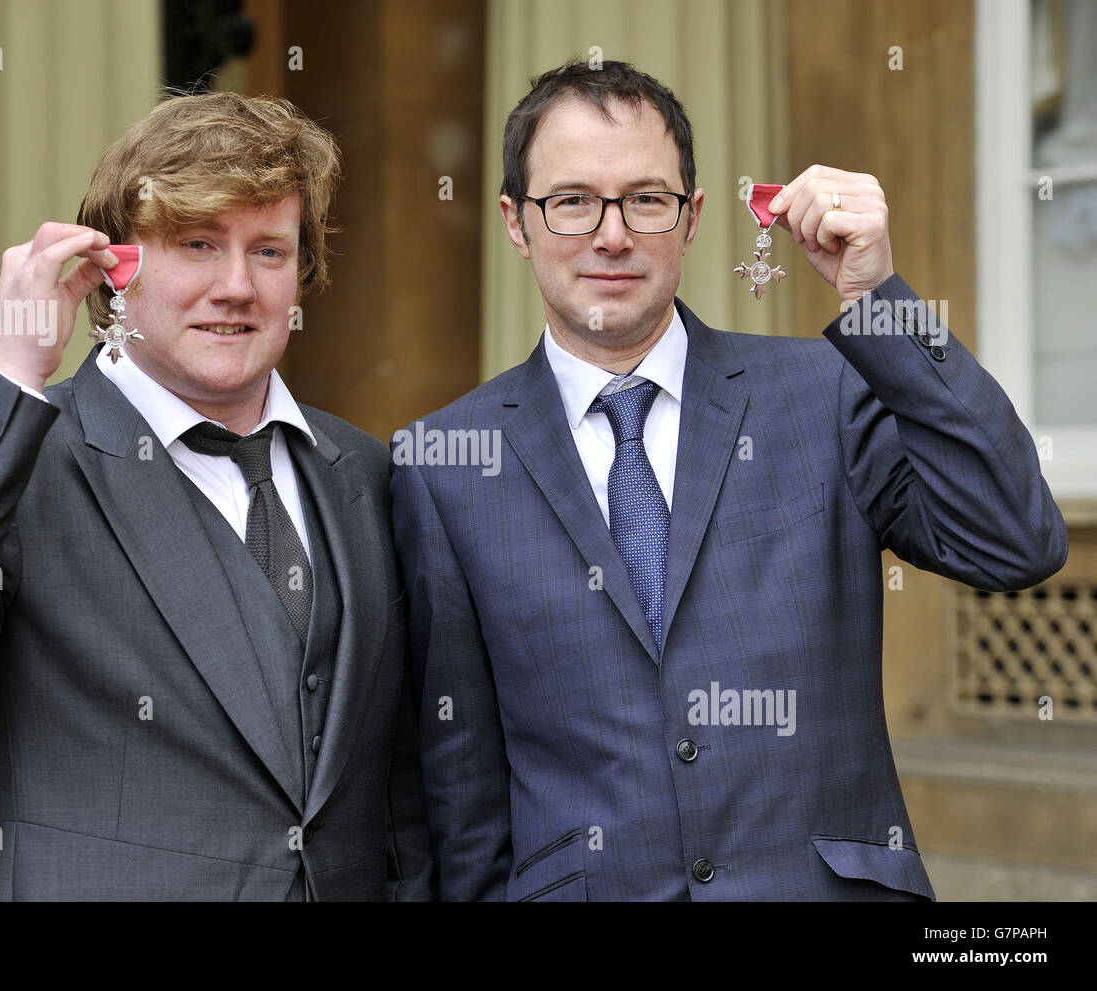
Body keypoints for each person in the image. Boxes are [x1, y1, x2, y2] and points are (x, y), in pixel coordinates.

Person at [389, 59, 1067, 901]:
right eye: (571, 201)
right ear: (516, 223)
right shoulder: (442, 463)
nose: (611, 234)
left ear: (694, 217)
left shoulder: (825, 392)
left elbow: (1015, 539)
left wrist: (878, 301)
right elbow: (461, 796)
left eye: (645, 198)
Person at [0, 91, 433, 901]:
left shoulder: (361, 469)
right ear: (115, 269)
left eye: (269, 252)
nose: (236, 286)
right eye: (196, 244)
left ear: (302, 275)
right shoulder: (22, 457)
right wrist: (11, 372)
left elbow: (396, 784)